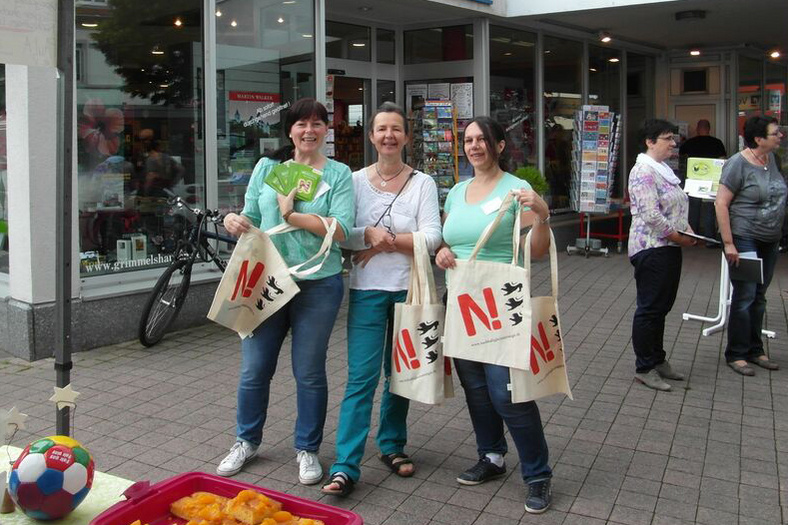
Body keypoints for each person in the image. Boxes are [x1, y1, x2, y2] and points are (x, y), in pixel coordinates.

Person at [218, 98, 355, 484]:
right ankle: (246, 441)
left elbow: (342, 228)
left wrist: (295, 216)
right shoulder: (269, 168)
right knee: (254, 369)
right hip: (267, 278)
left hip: (318, 283)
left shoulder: (339, 174)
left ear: (326, 130)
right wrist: (234, 220)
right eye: (301, 124)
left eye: (317, 124)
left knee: (309, 371)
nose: (308, 130)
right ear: (290, 130)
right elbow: (252, 216)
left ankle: (307, 449)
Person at [321, 102, 441, 497]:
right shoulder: (353, 181)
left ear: (406, 137)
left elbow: (432, 237)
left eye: (396, 129)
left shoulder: (423, 183)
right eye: (381, 129)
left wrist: (383, 239)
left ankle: (392, 445)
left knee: (400, 375)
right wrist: (366, 237)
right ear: (371, 136)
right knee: (361, 377)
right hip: (367, 290)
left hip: (411, 290)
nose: (389, 135)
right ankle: (345, 465)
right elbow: (344, 233)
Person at [435, 116, 554, 514]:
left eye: (482, 139)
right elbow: (448, 242)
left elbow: (536, 250)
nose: (474, 146)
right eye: (468, 140)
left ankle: (537, 474)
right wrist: (441, 253)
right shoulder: (456, 192)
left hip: (500, 304)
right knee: (477, 390)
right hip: (462, 304)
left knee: (507, 393)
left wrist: (542, 214)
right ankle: (492, 456)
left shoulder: (516, 189)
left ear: (499, 145)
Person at [628, 119, 697, 392]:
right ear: (650, 141)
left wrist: (689, 232)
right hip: (651, 248)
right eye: (667, 138)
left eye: (673, 138)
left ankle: (658, 360)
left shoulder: (664, 169)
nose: (673, 143)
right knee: (650, 308)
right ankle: (644, 367)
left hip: (668, 247)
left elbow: (676, 209)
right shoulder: (642, 171)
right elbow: (651, 215)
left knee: (662, 307)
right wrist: (679, 236)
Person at [715, 116, 786, 376]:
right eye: (775, 133)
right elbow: (721, 203)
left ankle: (756, 350)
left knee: (759, 296)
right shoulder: (737, 164)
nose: (780, 136)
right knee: (745, 294)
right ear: (759, 139)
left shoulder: (772, 161)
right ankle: (736, 353)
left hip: (770, 238)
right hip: (744, 237)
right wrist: (729, 243)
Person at [680, 119, 727, 239]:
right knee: (709, 210)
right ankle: (709, 238)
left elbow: (681, 155)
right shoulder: (717, 143)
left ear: (697, 128)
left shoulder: (690, 142)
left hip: (694, 181)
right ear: (709, 129)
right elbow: (723, 160)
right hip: (711, 182)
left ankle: (692, 236)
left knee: (693, 209)